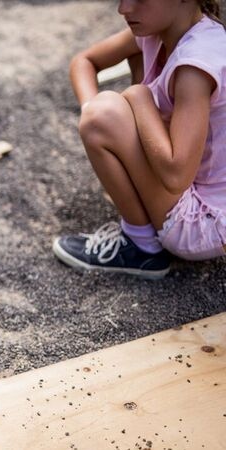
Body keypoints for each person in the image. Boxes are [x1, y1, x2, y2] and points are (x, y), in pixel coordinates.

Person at [54, 0, 226, 279]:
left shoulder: (195, 65)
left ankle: (141, 247)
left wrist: (137, 97)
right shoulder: (157, 31)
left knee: (106, 113)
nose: (124, 8)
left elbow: (176, 176)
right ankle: (144, 225)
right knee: (102, 114)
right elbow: (84, 61)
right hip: (195, 193)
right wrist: (92, 115)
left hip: (206, 223)